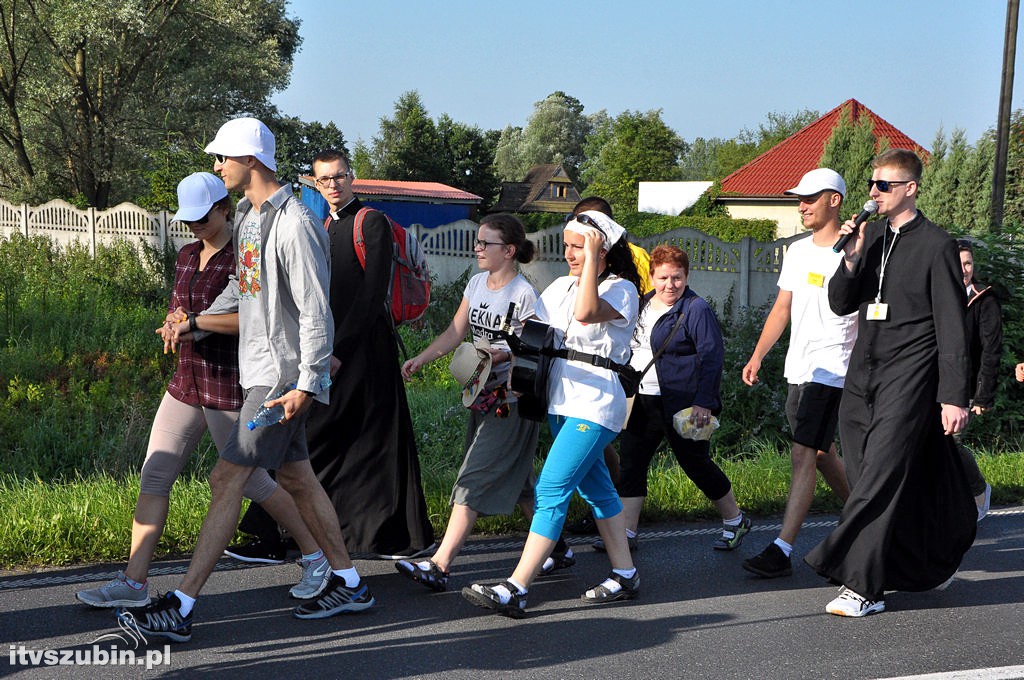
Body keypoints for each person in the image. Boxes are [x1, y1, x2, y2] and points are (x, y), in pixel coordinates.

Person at [115, 118, 373, 642]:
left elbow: (315, 311)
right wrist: (194, 319)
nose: (216, 167)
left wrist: (306, 382)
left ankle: (181, 608)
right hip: (263, 371)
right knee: (298, 478)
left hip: (279, 380)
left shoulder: (294, 222)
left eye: (222, 158)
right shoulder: (254, 220)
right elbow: (245, 290)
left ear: (250, 160)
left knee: (225, 479)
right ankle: (348, 581)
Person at [75, 173, 331, 609]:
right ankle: (134, 582)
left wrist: (196, 323)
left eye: (201, 217)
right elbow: (187, 307)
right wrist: (177, 320)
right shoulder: (186, 253)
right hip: (186, 381)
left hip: (230, 383)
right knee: (155, 475)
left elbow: (251, 317)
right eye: (187, 219)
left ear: (224, 209)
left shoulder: (247, 251)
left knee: (254, 484)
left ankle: (316, 557)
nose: (193, 226)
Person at [228, 148, 434, 560]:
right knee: (319, 438)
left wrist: (336, 352)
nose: (333, 186)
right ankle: (284, 534)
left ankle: (393, 537)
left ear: (351, 177)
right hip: (327, 350)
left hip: (365, 352)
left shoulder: (369, 222)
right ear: (315, 183)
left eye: (339, 177)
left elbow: (371, 295)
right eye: (324, 180)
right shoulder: (317, 223)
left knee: (371, 442)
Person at [804, 149, 976, 617]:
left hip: (911, 376)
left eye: (885, 185)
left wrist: (953, 396)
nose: (874, 193)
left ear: (910, 189)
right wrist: (853, 259)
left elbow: (952, 324)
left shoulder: (937, 244)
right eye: (872, 184)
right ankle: (912, 559)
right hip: (862, 374)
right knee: (865, 477)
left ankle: (858, 584)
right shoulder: (872, 235)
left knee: (877, 479)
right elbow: (841, 303)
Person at [461, 209, 642, 618]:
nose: (570, 255)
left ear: (602, 249)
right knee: (598, 490)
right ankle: (626, 573)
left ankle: (516, 587)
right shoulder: (560, 286)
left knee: (550, 489)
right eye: (568, 247)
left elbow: (585, 313)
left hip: (596, 405)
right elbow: (531, 335)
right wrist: (496, 353)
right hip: (561, 402)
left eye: (580, 247)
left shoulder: (621, 289)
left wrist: (594, 259)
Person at [394, 213, 573, 592]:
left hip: (512, 400)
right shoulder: (476, 284)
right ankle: (557, 547)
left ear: (508, 251)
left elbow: (539, 347)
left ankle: (440, 565)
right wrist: (422, 358)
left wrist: (500, 353)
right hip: (481, 395)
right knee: (521, 482)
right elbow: (456, 330)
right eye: (477, 242)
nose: (477, 249)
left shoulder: (524, 294)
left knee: (472, 476)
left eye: (484, 243)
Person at [740, 168, 854, 578]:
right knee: (822, 454)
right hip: (800, 367)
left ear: (835, 200)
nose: (802, 205)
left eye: (810, 198)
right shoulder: (798, 251)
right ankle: (863, 518)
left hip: (836, 368)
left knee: (803, 451)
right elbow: (782, 308)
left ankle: (781, 549)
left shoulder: (855, 250)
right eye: (798, 199)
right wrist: (757, 356)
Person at [605, 244, 750, 556]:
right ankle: (627, 533)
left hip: (683, 402)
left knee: (695, 464)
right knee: (632, 465)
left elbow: (711, 357)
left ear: (686, 276)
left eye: (677, 278)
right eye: (663, 278)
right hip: (641, 400)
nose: (670, 285)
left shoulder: (696, 309)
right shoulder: (642, 304)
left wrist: (704, 402)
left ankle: (734, 520)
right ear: (652, 276)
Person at [955, 239, 1001, 521]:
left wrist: (984, 395)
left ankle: (978, 489)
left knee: (950, 442)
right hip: (930, 383)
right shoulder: (936, 293)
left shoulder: (984, 298)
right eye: (959, 264)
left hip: (965, 386)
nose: (965, 269)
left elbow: (991, 350)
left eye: (969, 263)